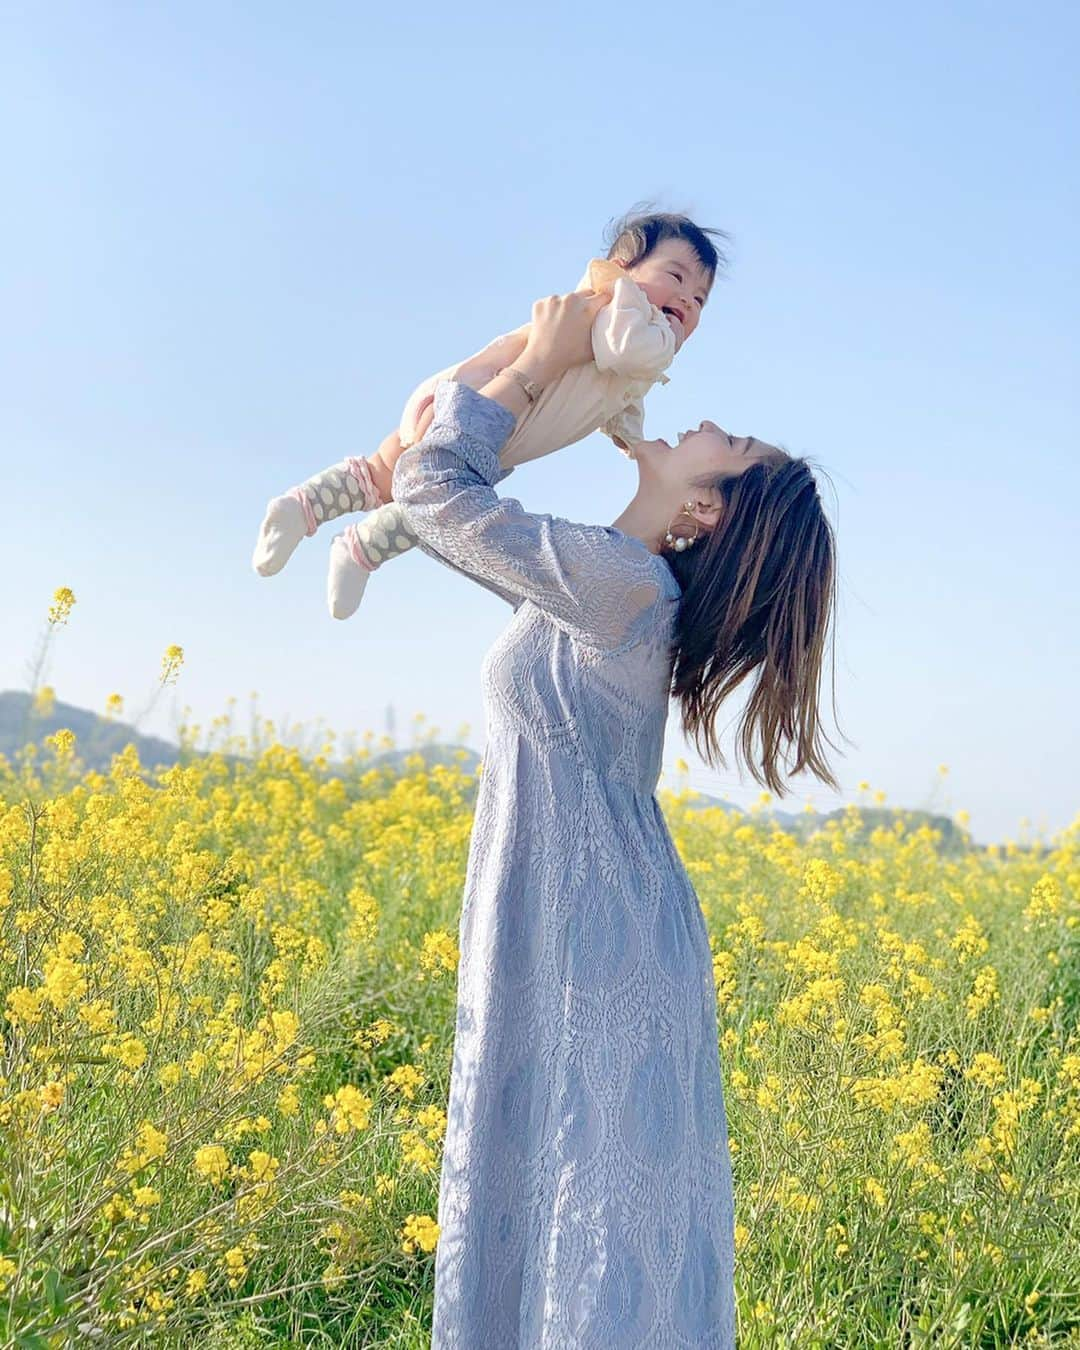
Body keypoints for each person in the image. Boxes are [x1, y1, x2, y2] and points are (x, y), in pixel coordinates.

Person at [387, 289, 842, 1347]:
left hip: (595, 940)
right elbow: (458, 519)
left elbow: (430, 488)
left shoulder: (622, 588)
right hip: (588, 924)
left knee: (588, 1211)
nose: (696, 424)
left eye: (723, 441)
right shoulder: (610, 577)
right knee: (567, 1203)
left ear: (713, 505)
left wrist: (535, 366)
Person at [250, 211, 725, 619]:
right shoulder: (621, 310)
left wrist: (631, 438)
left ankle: (343, 537)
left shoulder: (635, 337)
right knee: (417, 485)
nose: (687, 300)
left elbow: (621, 395)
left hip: (500, 424)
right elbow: (626, 353)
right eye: (677, 277)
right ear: (622, 268)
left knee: (419, 491)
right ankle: (314, 520)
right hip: (481, 399)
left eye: (700, 299)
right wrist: (667, 338)